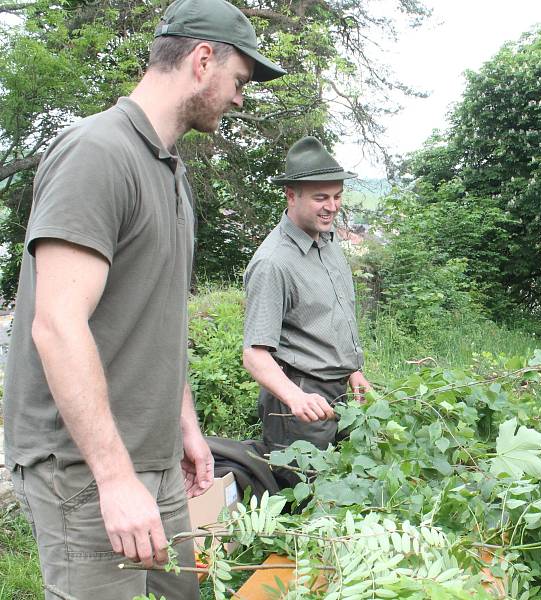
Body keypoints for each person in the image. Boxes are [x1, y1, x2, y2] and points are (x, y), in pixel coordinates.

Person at [2, 0, 285, 598]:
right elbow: (56, 324)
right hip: (84, 466)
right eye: (240, 80)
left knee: (183, 591)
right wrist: (114, 478)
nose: (240, 97)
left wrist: (183, 427)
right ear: (203, 60)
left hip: (152, 455)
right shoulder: (98, 154)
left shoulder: (170, 172)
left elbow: (156, 319)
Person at [243, 136, 371, 473]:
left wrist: (353, 372)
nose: (332, 206)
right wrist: (295, 399)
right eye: (320, 198)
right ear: (291, 195)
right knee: (306, 497)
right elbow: (255, 355)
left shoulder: (327, 242)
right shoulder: (273, 263)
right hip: (300, 403)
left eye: (337, 196)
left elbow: (327, 320)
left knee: (343, 487)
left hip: (340, 394)